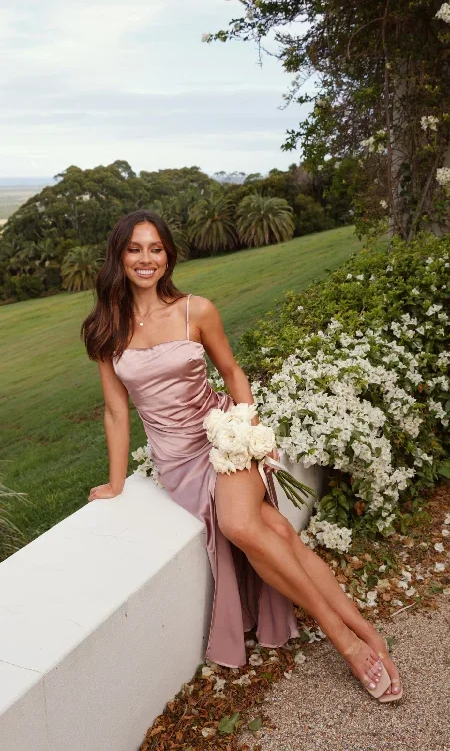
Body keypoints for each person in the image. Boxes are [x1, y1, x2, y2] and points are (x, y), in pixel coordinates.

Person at [81, 210, 402, 702]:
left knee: (241, 525)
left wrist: (247, 430)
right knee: (274, 530)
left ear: (168, 256)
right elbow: (115, 412)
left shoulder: (197, 310)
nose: (146, 259)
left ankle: (348, 642)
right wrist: (117, 483)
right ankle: (365, 632)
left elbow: (232, 373)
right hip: (177, 461)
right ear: (119, 256)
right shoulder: (106, 327)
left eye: (155, 249)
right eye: (135, 249)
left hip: (223, 436)